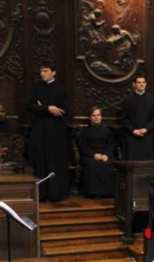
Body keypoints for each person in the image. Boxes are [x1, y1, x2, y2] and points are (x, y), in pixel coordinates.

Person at [28, 63, 70, 202]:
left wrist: (43, 107)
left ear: (53, 72)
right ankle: (41, 194)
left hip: (56, 132)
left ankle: (56, 194)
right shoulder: (36, 88)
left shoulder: (61, 89)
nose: (42, 74)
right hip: (40, 132)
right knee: (41, 161)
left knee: (55, 162)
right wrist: (48, 108)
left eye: (45, 71)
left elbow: (65, 110)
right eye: (41, 71)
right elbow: (31, 106)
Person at [78, 107, 116, 198]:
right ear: (90, 117)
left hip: (104, 155)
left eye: (98, 115)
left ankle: (108, 193)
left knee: (109, 164)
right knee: (92, 164)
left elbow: (112, 145)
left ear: (101, 117)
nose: (96, 117)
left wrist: (106, 155)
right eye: (94, 115)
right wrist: (94, 155)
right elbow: (83, 147)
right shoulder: (84, 131)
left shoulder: (107, 131)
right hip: (90, 156)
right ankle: (93, 193)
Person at [120, 74, 154, 160]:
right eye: (139, 82)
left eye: (143, 82)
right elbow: (124, 118)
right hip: (132, 136)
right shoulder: (127, 99)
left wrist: (146, 129)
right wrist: (133, 130)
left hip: (148, 136)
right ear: (134, 84)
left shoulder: (152, 99)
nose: (142, 84)